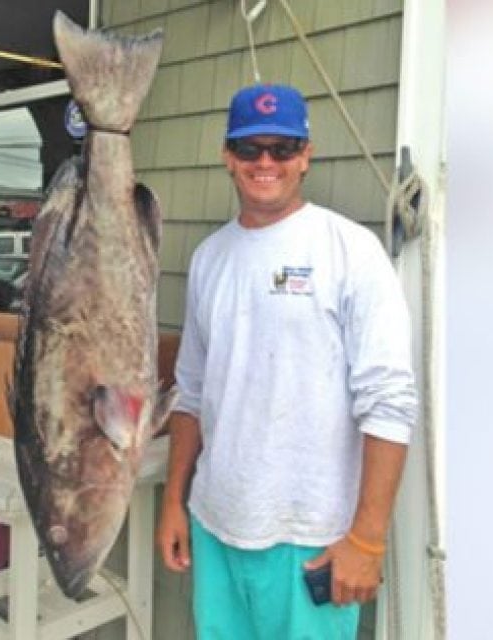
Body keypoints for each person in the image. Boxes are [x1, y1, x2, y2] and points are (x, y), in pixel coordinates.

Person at [156, 83, 419, 639]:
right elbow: (191, 391)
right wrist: (174, 503)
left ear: (306, 155)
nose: (266, 162)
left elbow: (390, 402)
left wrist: (367, 541)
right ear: (228, 157)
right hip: (216, 522)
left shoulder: (349, 249)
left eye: (282, 147)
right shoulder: (209, 259)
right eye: (250, 149)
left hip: (311, 536)